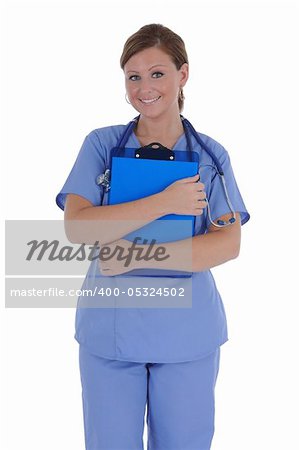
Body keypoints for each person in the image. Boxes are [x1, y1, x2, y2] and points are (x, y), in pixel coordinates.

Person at [56, 23, 250, 450]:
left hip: (187, 333)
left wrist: (131, 256)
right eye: (134, 76)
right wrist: (165, 201)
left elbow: (227, 244)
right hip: (111, 331)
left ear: (183, 75)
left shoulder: (211, 156)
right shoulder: (101, 145)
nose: (145, 87)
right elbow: (78, 227)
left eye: (158, 73)